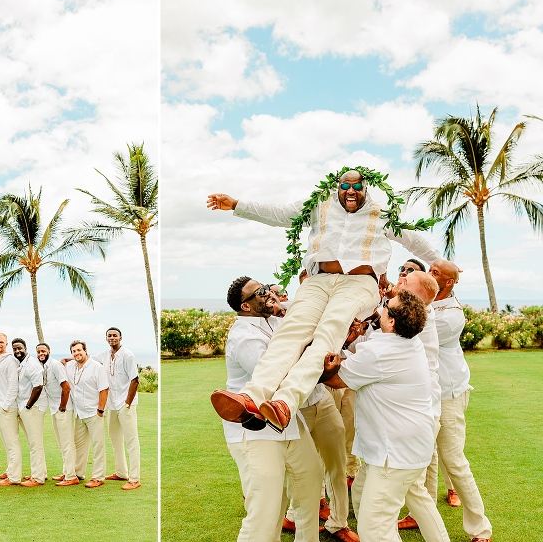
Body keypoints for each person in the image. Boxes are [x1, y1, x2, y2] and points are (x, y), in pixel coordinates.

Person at [208, 169, 441, 432]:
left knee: (329, 331)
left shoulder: (381, 214)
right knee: (291, 330)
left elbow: (412, 239)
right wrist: (237, 205)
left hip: (360, 282)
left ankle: (285, 401)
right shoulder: (319, 205)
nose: (351, 190)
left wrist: (440, 262)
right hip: (319, 279)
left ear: (366, 188)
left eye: (357, 186)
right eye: (345, 185)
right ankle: (252, 397)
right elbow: (281, 214)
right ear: (336, 187)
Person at [322, 290, 449, 542]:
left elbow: (336, 380)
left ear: (391, 321)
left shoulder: (379, 353)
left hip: (393, 453)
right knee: (365, 494)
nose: (380, 309)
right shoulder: (411, 341)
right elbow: (366, 363)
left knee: (375, 530)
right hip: (410, 444)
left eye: (385, 307)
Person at [221, 276, 327, 542]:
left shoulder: (275, 322)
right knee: (265, 509)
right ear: (245, 306)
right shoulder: (243, 337)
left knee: (310, 484)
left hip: (287, 420)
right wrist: (318, 365)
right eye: (261, 292)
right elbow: (275, 377)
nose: (269, 292)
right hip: (255, 429)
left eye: (267, 287)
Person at [430, 259, 492, 542]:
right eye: (429, 270)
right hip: (428, 394)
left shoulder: (451, 316)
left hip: (448, 394)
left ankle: (480, 528)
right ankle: (422, 514)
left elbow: (411, 331)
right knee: (427, 459)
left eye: (435, 273)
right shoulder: (430, 302)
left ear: (449, 282)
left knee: (453, 460)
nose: (429, 274)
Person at [93, 327, 141, 491]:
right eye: (109, 336)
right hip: (111, 405)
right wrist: (67, 359)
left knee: (131, 441)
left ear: (120, 338)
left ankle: (134, 479)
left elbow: (135, 380)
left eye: (115, 335)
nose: (112, 338)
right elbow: (88, 358)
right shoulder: (105, 354)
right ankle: (121, 472)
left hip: (125, 404)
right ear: (106, 338)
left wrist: (127, 403)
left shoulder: (128, 355)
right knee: (115, 440)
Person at [67, 340, 109, 488]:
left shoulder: (97, 367)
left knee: (98, 446)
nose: (76, 353)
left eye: (79, 350)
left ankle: (98, 477)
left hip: (94, 413)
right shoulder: (71, 366)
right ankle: (78, 473)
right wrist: (65, 359)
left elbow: (104, 389)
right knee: (79, 445)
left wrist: (100, 410)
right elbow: (62, 363)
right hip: (79, 414)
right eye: (74, 351)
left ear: (85, 350)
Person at [36, 343, 78, 486]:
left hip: (63, 409)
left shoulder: (55, 365)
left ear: (49, 351)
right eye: (38, 352)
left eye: (43, 351)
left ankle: (71, 476)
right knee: (62, 442)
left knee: (67, 442)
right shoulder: (44, 366)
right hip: (54, 408)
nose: (41, 354)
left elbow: (66, 388)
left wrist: (62, 407)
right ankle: (66, 472)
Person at [0, 333, 23, 486]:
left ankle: (14, 477)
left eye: (1, 342)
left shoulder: (10, 361)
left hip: (7, 407)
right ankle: (10, 470)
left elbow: (13, 385)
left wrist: (6, 405)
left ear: (6, 344)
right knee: (6, 441)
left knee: (12, 442)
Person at [13, 338, 46, 487]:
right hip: (25, 407)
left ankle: (37, 478)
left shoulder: (32, 364)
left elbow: (38, 386)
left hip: (32, 408)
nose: (17, 351)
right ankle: (41, 473)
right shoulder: (22, 364)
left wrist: (28, 406)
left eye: (20, 348)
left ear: (26, 348)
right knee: (34, 441)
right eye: (14, 349)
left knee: (35, 443)